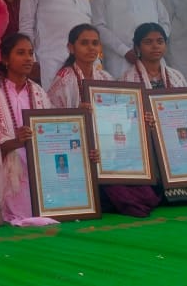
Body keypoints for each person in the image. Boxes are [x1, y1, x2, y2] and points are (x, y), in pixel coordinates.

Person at [47, 24, 161, 218]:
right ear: (71, 48)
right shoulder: (63, 81)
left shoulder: (104, 77)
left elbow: (119, 114)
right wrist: (77, 115)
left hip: (107, 153)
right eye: (84, 43)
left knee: (145, 196)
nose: (91, 48)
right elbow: (53, 126)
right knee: (126, 199)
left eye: (95, 43)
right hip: (78, 152)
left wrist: (140, 118)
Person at [0, 33, 61, 226]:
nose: (28, 58)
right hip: (6, 173)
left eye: (30, 53)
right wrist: (16, 141)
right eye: (21, 53)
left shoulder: (38, 92)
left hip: (37, 169)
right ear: (5, 59)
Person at [120, 23, 187, 89]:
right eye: (148, 42)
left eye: (160, 42)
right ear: (137, 47)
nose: (155, 46)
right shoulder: (127, 80)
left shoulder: (177, 77)